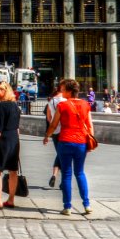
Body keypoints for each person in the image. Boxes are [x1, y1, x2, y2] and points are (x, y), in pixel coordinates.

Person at [43, 78, 93, 216]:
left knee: (66, 174)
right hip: (81, 142)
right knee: (80, 173)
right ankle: (87, 204)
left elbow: (53, 124)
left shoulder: (62, 106)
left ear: (69, 91)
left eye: (63, 89)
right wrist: (90, 142)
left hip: (65, 141)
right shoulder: (85, 104)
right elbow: (89, 125)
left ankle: (67, 206)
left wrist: (47, 135)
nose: (61, 91)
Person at [0, 81, 21, 210]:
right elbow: (18, 127)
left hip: (3, 140)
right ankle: (11, 199)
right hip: (14, 139)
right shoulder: (15, 106)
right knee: (13, 171)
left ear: (5, 91)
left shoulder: (1, 107)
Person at [45, 84, 66, 188]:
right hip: (65, 131)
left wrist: (51, 129)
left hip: (55, 131)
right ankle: (62, 180)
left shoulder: (51, 101)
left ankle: (54, 175)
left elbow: (49, 118)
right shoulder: (65, 100)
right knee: (62, 156)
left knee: (59, 153)